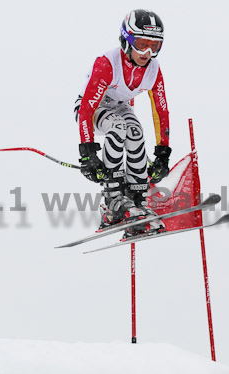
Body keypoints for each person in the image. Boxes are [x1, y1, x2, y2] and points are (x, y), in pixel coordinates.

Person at [74, 9, 172, 234]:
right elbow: (88, 109)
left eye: (154, 46)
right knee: (118, 126)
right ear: (126, 40)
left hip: (119, 107)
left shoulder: (153, 70)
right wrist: (88, 154)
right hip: (91, 108)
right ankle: (112, 201)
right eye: (141, 44)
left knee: (135, 131)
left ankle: (138, 200)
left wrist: (162, 153)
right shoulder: (108, 63)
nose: (147, 52)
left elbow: (160, 111)